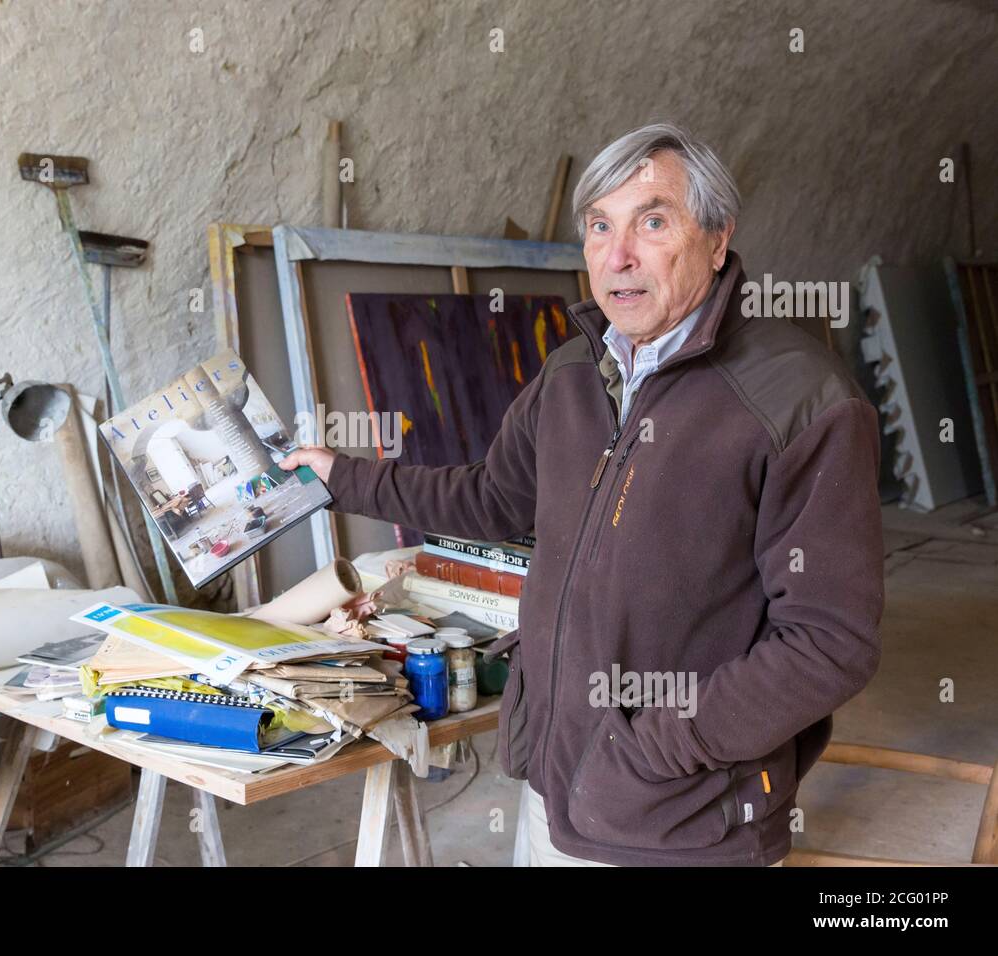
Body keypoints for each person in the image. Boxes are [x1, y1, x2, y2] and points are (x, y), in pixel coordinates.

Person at [279, 123, 883, 866]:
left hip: (683, 818)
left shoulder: (799, 399)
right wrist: (345, 477)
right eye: (600, 226)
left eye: (652, 222)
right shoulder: (573, 374)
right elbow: (494, 498)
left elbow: (829, 645)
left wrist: (657, 745)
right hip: (555, 783)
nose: (618, 255)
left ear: (718, 240)